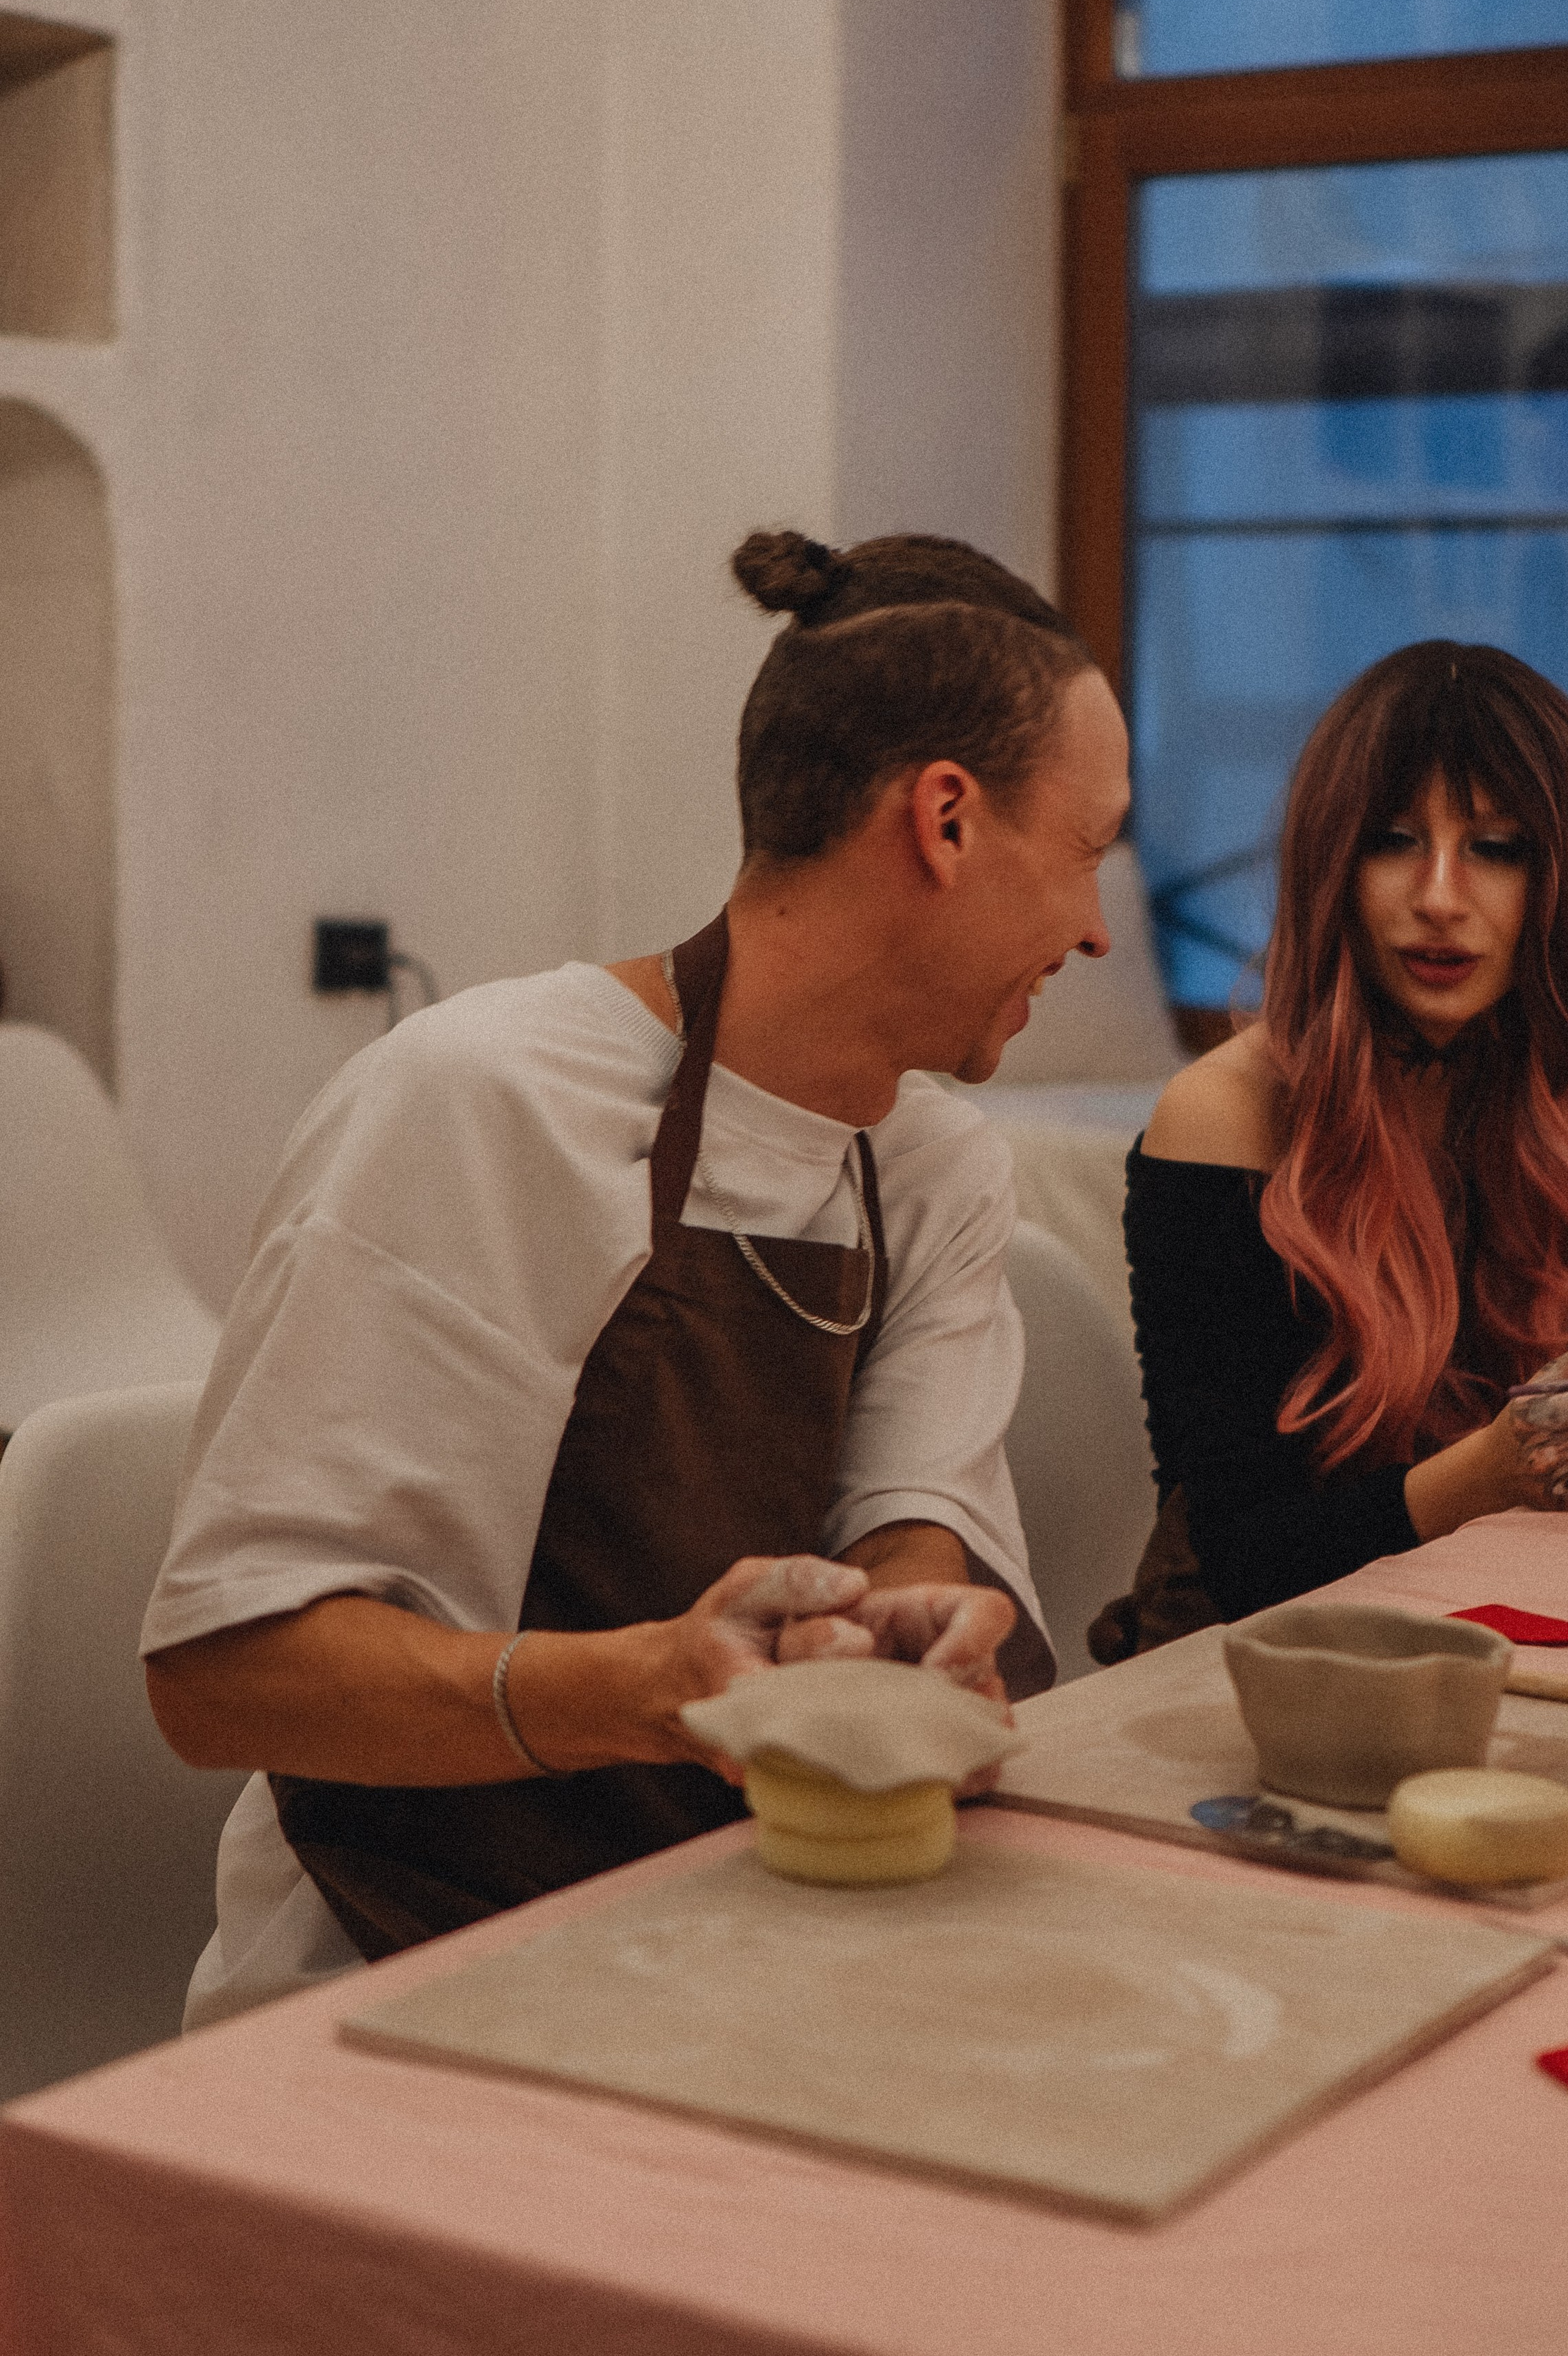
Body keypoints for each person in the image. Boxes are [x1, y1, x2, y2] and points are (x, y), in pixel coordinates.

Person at [145, 527, 1131, 2018]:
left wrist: (916, 1634)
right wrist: (641, 1690)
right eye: (1085, 851)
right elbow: (226, 1678)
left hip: (761, 1936)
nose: (1095, 928)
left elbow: (910, 1528)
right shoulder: (485, 1104)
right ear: (942, 820)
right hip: (409, 1969)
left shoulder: (933, 1162)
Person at [1094, 640, 1568, 1657]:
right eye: (1393, 841)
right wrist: (1502, 1470)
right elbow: (1245, 1561)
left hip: (1444, 1619)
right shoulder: (1220, 1117)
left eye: (1498, 848)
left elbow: (1508, 1422)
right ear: (1331, 865)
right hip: (1230, 1667)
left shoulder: (1515, 1089)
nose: (1439, 895)